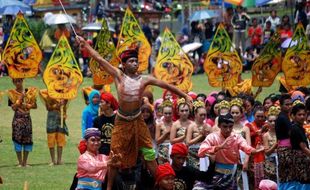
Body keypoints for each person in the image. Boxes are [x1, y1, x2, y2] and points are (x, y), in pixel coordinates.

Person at [77, 35, 192, 190]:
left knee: (149, 154)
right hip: (122, 121)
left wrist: (184, 95)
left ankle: (159, 185)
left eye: (136, 61)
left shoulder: (144, 79)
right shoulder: (118, 76)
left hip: (138, 121)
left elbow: (164, 84)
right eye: (131, 61)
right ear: (123, 65)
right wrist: (85, 45)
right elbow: (99, 59)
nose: (135, 63)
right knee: (115, 155)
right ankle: (110, 187)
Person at [198, 113, 264, 189]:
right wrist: (219, 147)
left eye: (230, 126)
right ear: (219, 126)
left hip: (232, 175)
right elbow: (201, 152)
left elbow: (246, 147)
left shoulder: (236, 137)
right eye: (225, 126)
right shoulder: (213, 137)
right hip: (215, 174)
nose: (228, 130)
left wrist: (255, 151)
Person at [8, 78, 37, 167]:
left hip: (27, 120)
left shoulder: (29, 92)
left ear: (22, 81)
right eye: (16, 81)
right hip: (17, 120)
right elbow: (13, 107)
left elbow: (35, 106)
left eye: (19, 81)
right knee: (17, 140)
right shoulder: (12, 93)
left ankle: (25, 162)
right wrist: (20, 98)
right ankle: (20, 162)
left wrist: (28, 105)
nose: (18, 83)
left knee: (27, 140)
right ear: (13, 82)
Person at [39, 89, 68, 165]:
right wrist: (57, 105)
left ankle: (59, 160)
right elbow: (48, 108)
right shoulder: (49, 93)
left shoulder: (65, 94)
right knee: (51, 138)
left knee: (61, 138)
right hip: (51, 117)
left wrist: (64, 112)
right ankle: (53, 160)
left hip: (60, 117)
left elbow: (65, 106)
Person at [186, 100, 211, 170]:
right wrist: (201, 136)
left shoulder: (208, 126)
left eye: (204, 115)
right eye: (201, 115)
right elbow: (188, 143)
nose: (203, 117)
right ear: (195, 114)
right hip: (192, 153)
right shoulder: (191, 126)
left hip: (204, 153)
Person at [275, 94, 293, 184]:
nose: (289, 106)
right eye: (287, 104)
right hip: (286, 149)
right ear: (281, 106)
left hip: (284, 148)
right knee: (287, 176)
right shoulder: (283, 117)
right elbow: (291, 134)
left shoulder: (285, 116)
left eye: (291, 104)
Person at [263, 106, 280, 183]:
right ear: (267, 122)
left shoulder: (281, 133)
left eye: (275, 121)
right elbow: (266, 152)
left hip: (280, 160)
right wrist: (275, 145)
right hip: (270, 163)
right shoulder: (266, 135)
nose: (273, 123)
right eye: (270, 121)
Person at [156, 100, 173, 164]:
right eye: (166, 113)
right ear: (162, 113)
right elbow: (157, 141)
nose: (168, 115)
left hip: (173, 150)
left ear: (172, 113)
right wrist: (166, 133)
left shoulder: (175, 124)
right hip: (162, 150)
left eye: (170, 113)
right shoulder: (159, 125)